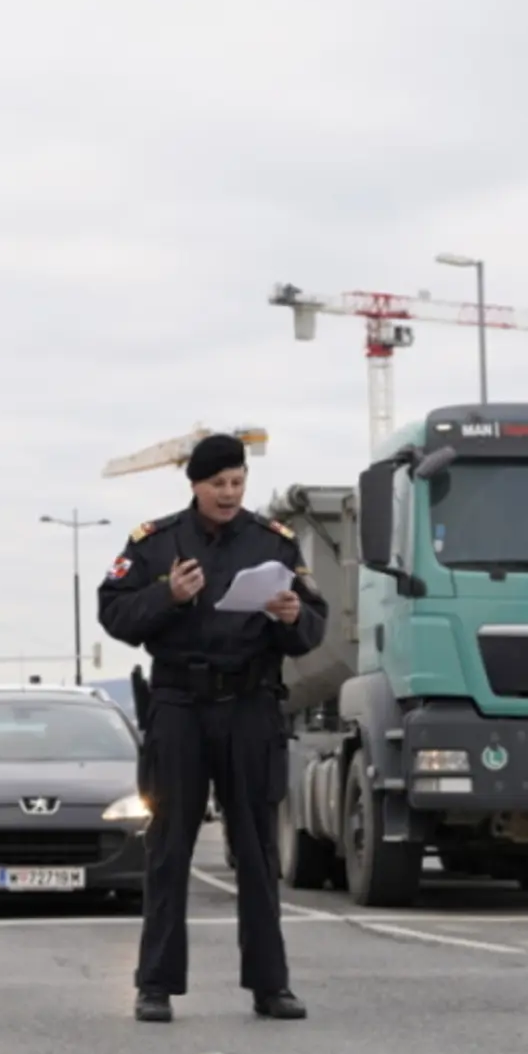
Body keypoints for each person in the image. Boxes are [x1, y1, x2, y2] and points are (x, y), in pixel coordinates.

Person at [97, 431, 329, 1024]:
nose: (230, 493)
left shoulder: (271, 541)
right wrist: (167, 595)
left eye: (237, 482)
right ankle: (156, 984)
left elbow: (311, 628)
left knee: (254, 848)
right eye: (218, 484)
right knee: (169, 846)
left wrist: (292, 614)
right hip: (178, 707)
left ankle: (270, 985)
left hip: (249, 706)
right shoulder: (155, 543)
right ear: (195, 485)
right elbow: (114, 613)